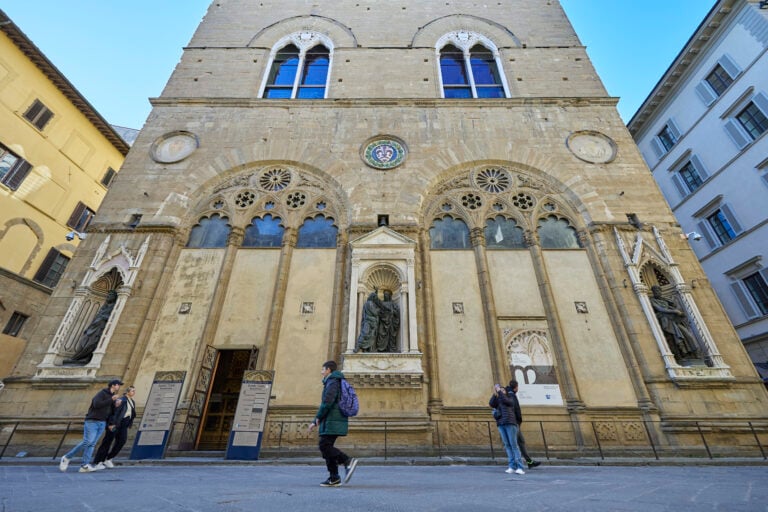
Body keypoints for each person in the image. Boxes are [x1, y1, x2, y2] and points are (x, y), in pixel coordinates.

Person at [308, 360, 358, 487]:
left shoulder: (332, 382)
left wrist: (317, 419)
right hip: (331, 419)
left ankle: (347, 460)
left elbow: (327, 402)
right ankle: (334, 477)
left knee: (324, 445)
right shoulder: (333, 381)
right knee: (326, 448)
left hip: (332, 419)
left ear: (328, 370)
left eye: (323, 369)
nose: (321, 372)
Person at [59, 379, 123, 473]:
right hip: (92, 421)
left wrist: (116, 405)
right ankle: (67, 457)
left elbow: (110, 412)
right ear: (113, 385)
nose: (119, 387)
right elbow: (96, 404)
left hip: (102, 423)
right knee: (87, 441)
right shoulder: (102, 393)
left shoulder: (112, 397)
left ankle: (84, 466)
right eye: (118, 385)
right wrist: (111, 400)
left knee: (92, 444)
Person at [64, 290, 118, 365]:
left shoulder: (114, 306)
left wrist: (103, 318)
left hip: (100, 328)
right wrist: (89, 327)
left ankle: (84, 358)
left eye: (110, 295)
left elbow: (111, 317)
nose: (108, 297)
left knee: (91, 344)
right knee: (83, 341)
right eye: (108, 295)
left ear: (114, 297)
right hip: (93, 327)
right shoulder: (104, 306)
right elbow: (97, 317)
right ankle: (77, 357)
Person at [650, 285, 700, 361]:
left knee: (688, 335)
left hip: (674, 320)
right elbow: (660, 309)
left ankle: (694, 353)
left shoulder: (664, 300)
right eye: (655, 291)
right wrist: (674, 311)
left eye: (659, 291)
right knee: (675, 339)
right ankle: (681, 355)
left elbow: (672, 306)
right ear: (653, 292)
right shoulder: (653, 300)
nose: (657, 292)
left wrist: (677, 311)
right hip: (666, 321)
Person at [93, 386, 136, 469]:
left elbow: (131, 414)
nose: (134, 392)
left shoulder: (132, 402)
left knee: (122, 441)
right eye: (132, 391)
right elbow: (115, 413)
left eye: (134, 391)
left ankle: (108, 458)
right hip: (115, 424)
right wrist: (111, 423)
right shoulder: (121, 400)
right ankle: (98, 461)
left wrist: (129, 423)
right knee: (107, 442)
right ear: (127, 392)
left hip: (123, 425)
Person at [489, 382, 526, 475]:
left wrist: (500, 392)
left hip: (510, 423)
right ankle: (512, 466)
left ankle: (520, 467)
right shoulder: (499, 400)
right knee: (507, 445)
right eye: (499, 390)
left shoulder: (510, 398)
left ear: (505, 392)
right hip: (501, 424)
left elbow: (506, 401)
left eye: (503, 390)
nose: (500, 391)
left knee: (514, 445)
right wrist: (495, 393)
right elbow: (491, 403)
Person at [506, 380, 541, 469]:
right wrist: (517, 420)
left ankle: (529, 462)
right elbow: (514, 409)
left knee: (520, 441)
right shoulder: (511, 395)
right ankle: (514, 464)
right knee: (514, 443)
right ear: (516, 387)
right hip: (514, 423)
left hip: (515, 422)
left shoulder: (510, 394)